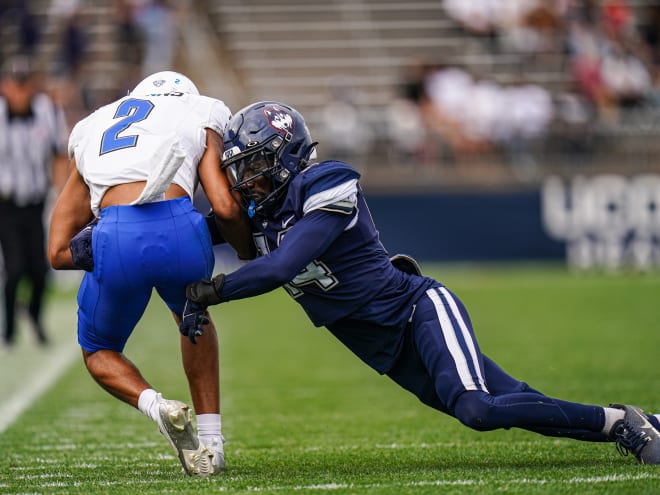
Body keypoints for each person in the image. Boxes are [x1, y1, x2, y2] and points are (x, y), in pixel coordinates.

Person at [183, 101, 660, 466]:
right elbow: (184, 235)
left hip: (414, 311)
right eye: (238, 169)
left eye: (252, 166)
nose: (245, 181)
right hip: (384, 349)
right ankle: (640, 425)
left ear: (283, 154)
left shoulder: (326, 182)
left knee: (478, 410)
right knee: (516, 399)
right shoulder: (258, 215)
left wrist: (213, 292)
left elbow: (282, 266)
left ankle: (621, 421)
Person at [48, 71, 254, 476]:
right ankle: (212, 445)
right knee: (194, 319)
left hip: (115, 232)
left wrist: (104, 248)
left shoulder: (93, 125)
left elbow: (56, 252)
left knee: (98, 350)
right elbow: (226, 208)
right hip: (180, 226)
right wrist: (247, 251)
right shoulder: (203, 109)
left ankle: (156, 405)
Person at [0, 55, 69, 349]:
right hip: (6, 204)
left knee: (40, 271)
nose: (20, 92)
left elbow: (58, 155)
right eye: (15, 85)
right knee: (14, 269)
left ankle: (35, 317)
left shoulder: (48, 112)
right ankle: (9, 329)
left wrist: (61, 194)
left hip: (37, 201)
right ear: (5, 87)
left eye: (25, 85)